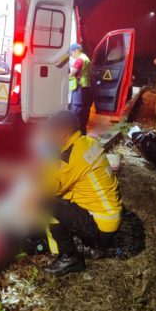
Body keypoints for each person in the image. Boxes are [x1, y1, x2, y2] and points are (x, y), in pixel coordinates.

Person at [42, 110, 121, 275]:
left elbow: (49, 188)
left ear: (62, 134)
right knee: (59, 201)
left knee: (46, 203)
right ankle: (97, 246)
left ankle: (69, 257)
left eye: (49, 134)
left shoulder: (70, 157)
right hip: (109, 222)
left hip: (100, 228)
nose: (47, 138)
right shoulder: (86, 142)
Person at [68, 43, 92, 136]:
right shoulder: (86, 58)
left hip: (80, 88)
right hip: (86, 87)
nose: (71, 55)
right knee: (84, 112)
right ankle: (83, 133)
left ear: (76, 51)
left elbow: (72, 73)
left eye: (72, 53)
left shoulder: (79, 60)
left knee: (76, 111)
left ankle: (77, 134)